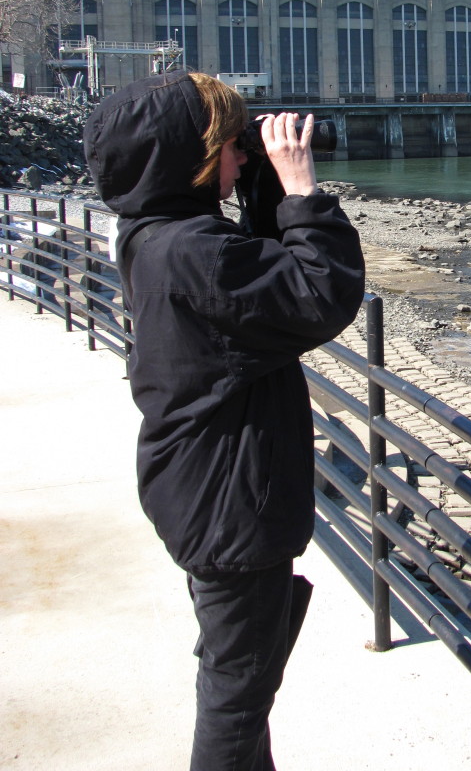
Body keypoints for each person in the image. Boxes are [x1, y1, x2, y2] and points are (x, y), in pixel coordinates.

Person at [83, 71, 365, 770]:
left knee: (237, 671)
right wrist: (299, 188)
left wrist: (261, 189)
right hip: (228, 506)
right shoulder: (193, 252)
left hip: (203, 491)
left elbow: (256, 278)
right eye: (232, 145)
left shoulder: (156, 233)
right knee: (236, 696)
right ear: (195, 155)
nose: (244, 156)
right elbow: (319, 293)